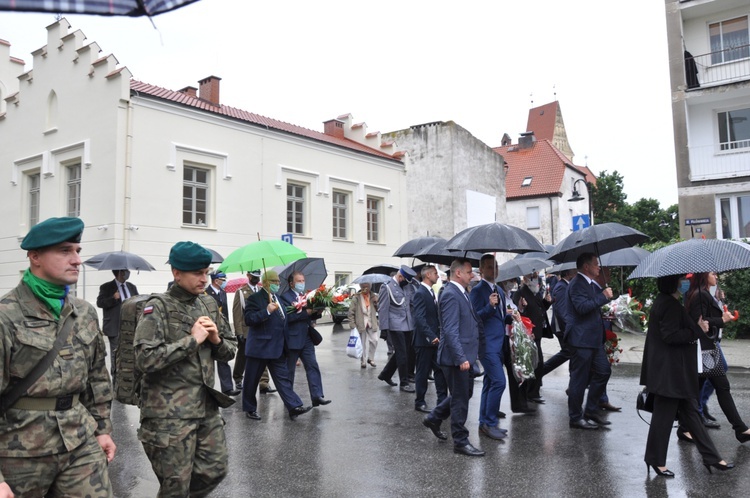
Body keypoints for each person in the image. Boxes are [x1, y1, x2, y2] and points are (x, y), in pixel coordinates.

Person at [0, 217, 116, 497]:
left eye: (77, 250)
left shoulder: (84, 312)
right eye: (65, 251)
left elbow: (97, 377)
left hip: (79, 440)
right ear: (35, 257)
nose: (76, 260)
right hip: (20, 452)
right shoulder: (6, 316)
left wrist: (102, 429)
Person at [134, 241, 238, 497]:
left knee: (216, 468)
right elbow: (145, 359)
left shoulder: (209, 304)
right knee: (175, 486)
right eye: (197, 273)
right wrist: (193, 340)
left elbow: (231, 349)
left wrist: (216, 340)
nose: (205, 279)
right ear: (176, 273)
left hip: (204, 408)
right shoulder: (157, 307)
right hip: (168, 416)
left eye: (207, 272)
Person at [641, 274, 734, 477]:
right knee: (663, 418)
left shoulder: (667, 302)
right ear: (673, 282)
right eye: (682, 279)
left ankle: (712, 457)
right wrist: (697, 330)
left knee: (691, 414)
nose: (685, 282)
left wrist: (696, 327)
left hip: (673, 372)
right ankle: (655, 460)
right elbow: (671, 336)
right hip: (669, 373)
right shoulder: (668, 305)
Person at [423, 259, 485, 456]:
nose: (472, 275)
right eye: (469, 272)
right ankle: (460, 441)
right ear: (458, 273)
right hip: (454, 358)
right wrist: (460, 358)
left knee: (464, 394)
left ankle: (435, 417)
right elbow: (450, 330)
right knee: (460, 399)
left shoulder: (462, 292)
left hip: (464, 354)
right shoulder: (450, 294)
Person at [684, 272, 750, 442]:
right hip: (704, 350)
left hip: (707, 349)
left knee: (708, 388)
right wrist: (722, 319)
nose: (717, 277)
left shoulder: (700, 293)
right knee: (716, 388)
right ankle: (739, 429)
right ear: (704, 276)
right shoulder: (700, 295)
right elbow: (698, 322)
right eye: (713, 274)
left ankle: (740, 429)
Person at [242, 270, 312, 421]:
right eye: (274, 282)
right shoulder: (255, 298)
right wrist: (266, 311)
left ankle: (294, 406)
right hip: (259, 348)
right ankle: (249, 408)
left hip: (277, 348)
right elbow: (249, 319)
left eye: (278, 282)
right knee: (251, 380)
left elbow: (283, 321)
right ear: (266, 283)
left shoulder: (278, 298)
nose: (277, 285)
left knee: (283, 379)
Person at [565, 253, 613, 429]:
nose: (599, 267)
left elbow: (592, 308)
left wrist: (605, 312)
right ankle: (575, 417)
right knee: (579, 379)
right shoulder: (577, 284)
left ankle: (591, 409)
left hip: (594, 339)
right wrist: (603, 296)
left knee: (603, 371)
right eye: (596, 264)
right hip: (581, 340)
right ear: (586, 267)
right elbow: (582, 307)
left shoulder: (591, 284)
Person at [470, 255, 514, 439]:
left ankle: (484, 423)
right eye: (489, 267)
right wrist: (489, 306)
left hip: (499, 343)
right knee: (499, 382)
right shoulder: (477, 291)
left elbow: (501, 318)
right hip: (486, 344)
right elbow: (475, 317)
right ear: (481, 270)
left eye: (495, 265)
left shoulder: (500, 291)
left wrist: (513, 316)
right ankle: (490, 422)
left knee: (489, 383)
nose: (493, 270)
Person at [279, 271, 331, 407]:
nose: (302, 283)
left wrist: (316, 313)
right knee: (289, 371)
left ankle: (317, 395)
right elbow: (287, 318)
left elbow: (308, 317)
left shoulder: (306, 296)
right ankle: (289, 401)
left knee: (312, 365)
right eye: (299, 281)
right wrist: (305, 313)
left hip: (307, 337)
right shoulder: (284, 297)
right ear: (291, 283)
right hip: (292, 339)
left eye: (303, 281)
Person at [412, 265, 447, 413]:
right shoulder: (420, 293)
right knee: (423, 372)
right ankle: (419, 402)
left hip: (434, 340)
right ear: (427, 275)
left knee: (439, 370)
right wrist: (431, 336)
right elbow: (419, 318)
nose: (437, 276)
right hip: (424, 341)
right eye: (435, 273)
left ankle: (443, 401)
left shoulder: (431, 292)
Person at [233, 270, 275, 393]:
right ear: (248, 276)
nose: (256, 279)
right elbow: (237, 313)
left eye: (258, 277)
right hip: (246, 329)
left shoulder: (263, 292)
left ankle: (264, 383)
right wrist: (238, 331)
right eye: (254, 276)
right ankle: (238, 377)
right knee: (242, 356)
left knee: (263, 354)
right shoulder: (241, 292)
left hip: (261, 328)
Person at [514, 271, 552, 404]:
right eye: (533, 277)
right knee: (534, 364)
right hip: (528, 333)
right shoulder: (520, 293)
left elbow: (540, 309)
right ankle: (529, 392)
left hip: (537, 333)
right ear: (525, 278)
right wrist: (521, 308)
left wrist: (547, 303)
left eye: (536, 277)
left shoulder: (535, 293)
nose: (536, 280)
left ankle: (533, 391)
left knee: (538, 363)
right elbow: (517, 312)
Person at [377, 265, 417, 392]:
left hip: (408, 324)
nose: (407, 283)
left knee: (403, 352)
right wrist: (384, 328)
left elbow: (411, 304)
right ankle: (404, 383)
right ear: (400, 277)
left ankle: (385, 374)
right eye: (406, 280)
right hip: (395, 325)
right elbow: (383, 309)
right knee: (402, 354)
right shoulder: (387, 287)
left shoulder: (407, 286)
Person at [499, 277, 533, 414]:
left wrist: (520, 308)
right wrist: (505, 314)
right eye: (510, 280)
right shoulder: (498, 295)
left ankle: (519, 404)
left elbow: (516, 316)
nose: (512, 283)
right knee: (498, 377)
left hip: (514, 338)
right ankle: (493, 408)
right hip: (503, 338)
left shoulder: (509, 297)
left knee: (518, 372)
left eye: (514, 280)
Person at [97, 268, 139, 376]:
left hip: (131, 326)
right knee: (115, 354)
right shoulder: (106, 287)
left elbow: (138, 302)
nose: (128, 273)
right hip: (114, 326)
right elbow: (100, 303)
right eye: (126, 271)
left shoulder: (132, 287)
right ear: (119, 272)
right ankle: (115, 377)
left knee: (130, 352)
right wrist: (113, 298)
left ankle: (128, 376)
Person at [206, 271, 241, 396]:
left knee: (223, 358)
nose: (225, 281)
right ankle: (207, 389)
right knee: (207, 360)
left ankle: (227, 388)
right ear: (216, 280)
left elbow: (225, 313)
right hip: (208, 330)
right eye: (223, 279)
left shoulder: (223, 293)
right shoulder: (205, 293)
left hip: (221, 330)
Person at [347, 283, 379, 368]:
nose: (366, 288)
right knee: (362, 343)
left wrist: (376, 303)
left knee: (374, 340)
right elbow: (351, 312)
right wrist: (352, 325)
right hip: (360, 323)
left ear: (370, 287)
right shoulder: (356, 297)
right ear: (361, 287)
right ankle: (363, 361)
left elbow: (379, 309)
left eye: (367, 286)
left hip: (371, 322)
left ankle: (371, 358)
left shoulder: (373, 296)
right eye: (364, 287)